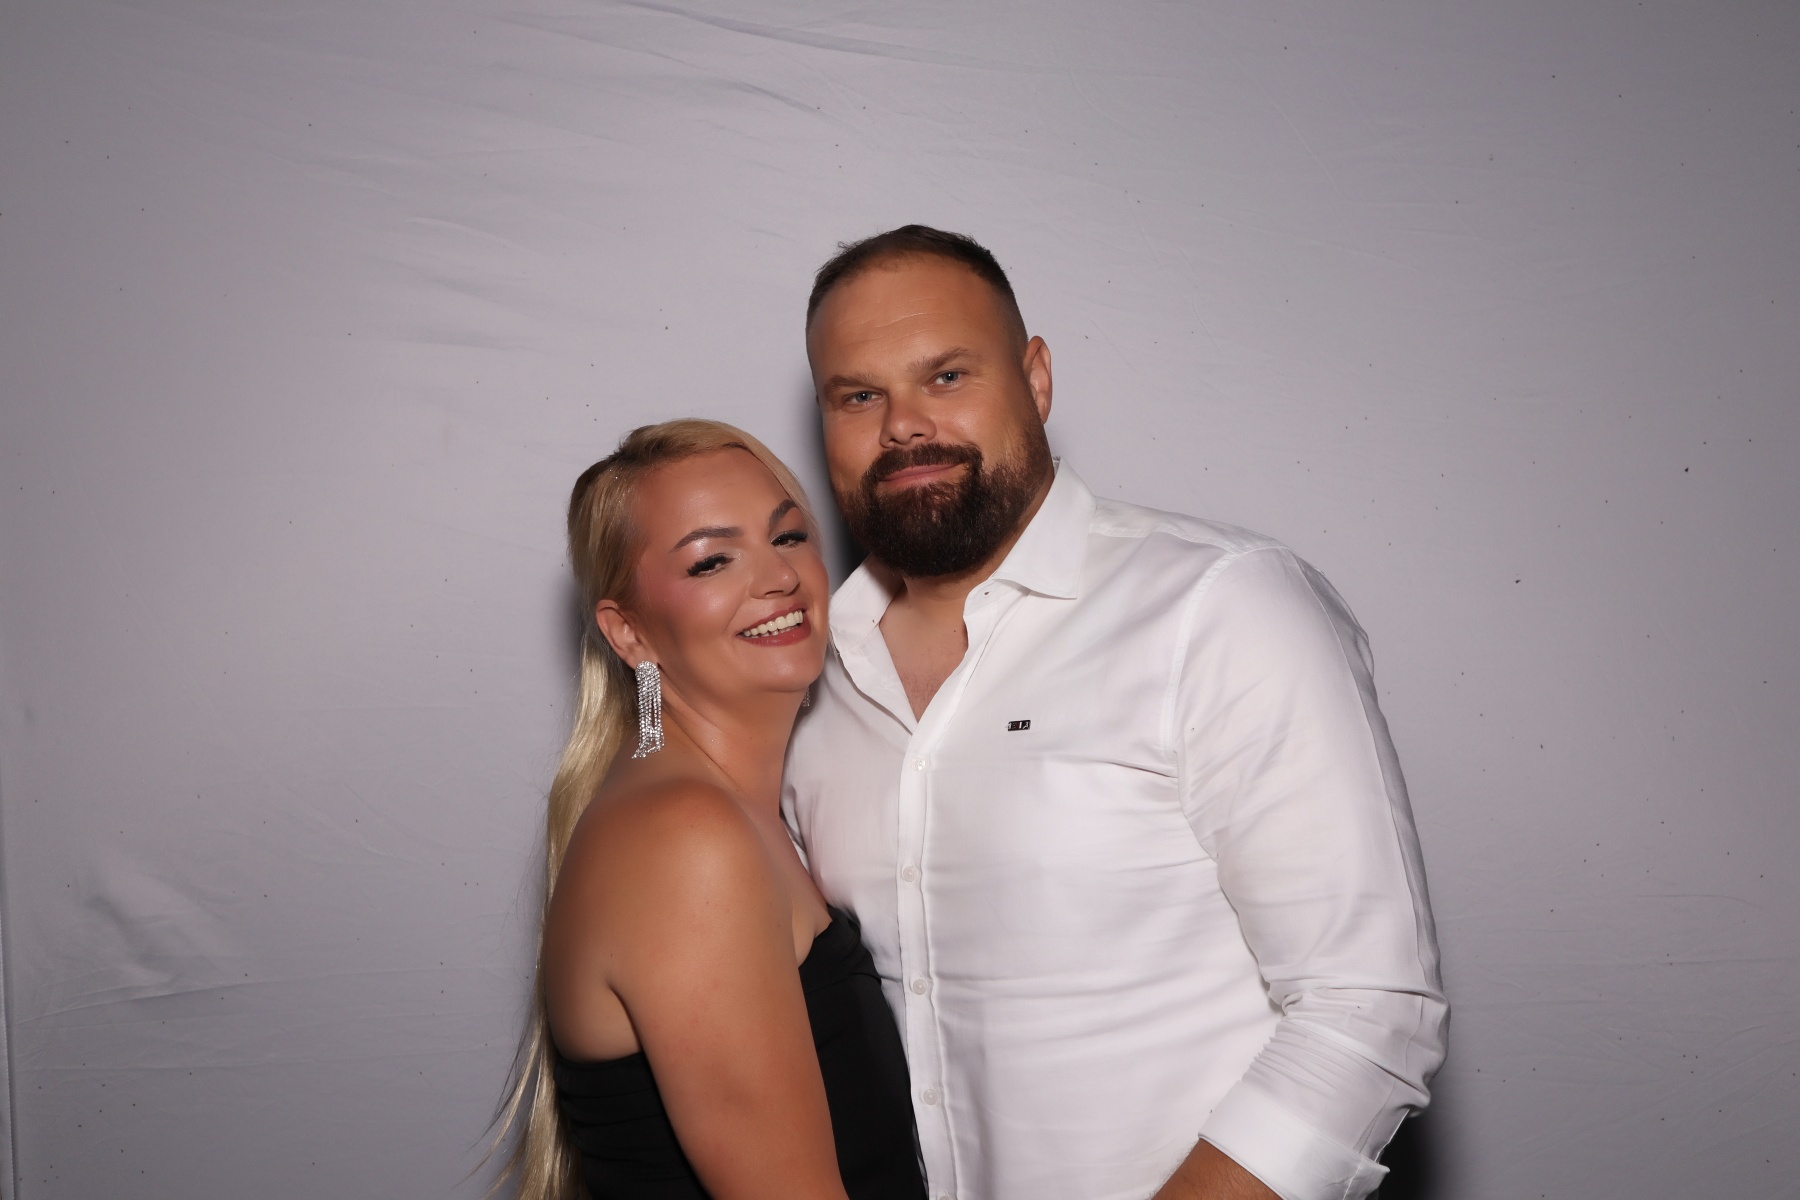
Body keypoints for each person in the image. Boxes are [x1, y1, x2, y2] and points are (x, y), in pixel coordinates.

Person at [783, 227, 1448, 1200]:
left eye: (947, 376)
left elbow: (1370, 1013)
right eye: (858, 397)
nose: (904, 427)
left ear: (1036, 380)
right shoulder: (808, 676)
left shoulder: (1219, 606)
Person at [497, 420, 927, 1200]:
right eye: (712, 560)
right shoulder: (685, 841)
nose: (778, 577)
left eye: (788, 536)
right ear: (628, 632)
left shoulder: (722, 809)